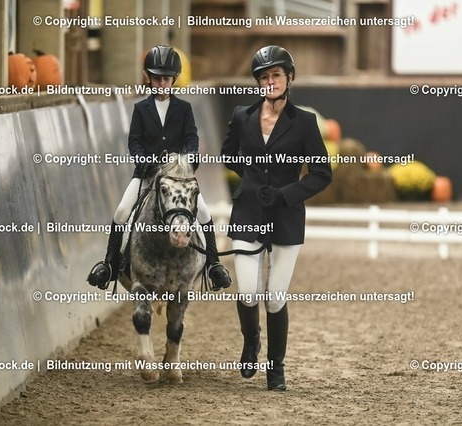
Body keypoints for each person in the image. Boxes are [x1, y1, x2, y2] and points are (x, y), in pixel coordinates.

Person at [221, 45, 332, 391]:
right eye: (264, 77)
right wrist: (252, 181)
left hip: (286, 216)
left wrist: (284, 194)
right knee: (248, 291)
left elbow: (322, 174)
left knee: (274, 296)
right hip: (248, 212)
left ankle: (276, 369)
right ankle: (251, 338)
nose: (270, 81)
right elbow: (228, 154)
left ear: (289, 77)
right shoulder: (242, 116)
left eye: (276, 75)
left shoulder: (305, 123)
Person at [88, 45, 232, 291]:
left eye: (166, 79)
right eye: (157, 78)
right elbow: (134, 141)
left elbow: (191, 138)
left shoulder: (184, 109)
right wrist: (142, 159)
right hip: (147, 174)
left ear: (173, 79)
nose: (162, 83)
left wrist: (187, 158)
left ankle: (213, 266)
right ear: (149, 78)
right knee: (122, 211)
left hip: (177, 178)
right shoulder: (140, 109)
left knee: (204, 214)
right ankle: (109, 265)